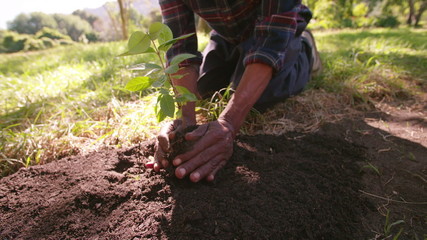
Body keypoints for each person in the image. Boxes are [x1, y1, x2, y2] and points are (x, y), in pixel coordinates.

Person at [146, 0, 321, 182]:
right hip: (226, 34)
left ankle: (306, 50)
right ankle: (239, 55)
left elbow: (272, 44)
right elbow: (179, 46)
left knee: (260, 97)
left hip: (277, 30)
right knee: (204, 88)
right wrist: (185, 120)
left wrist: (228, 123)